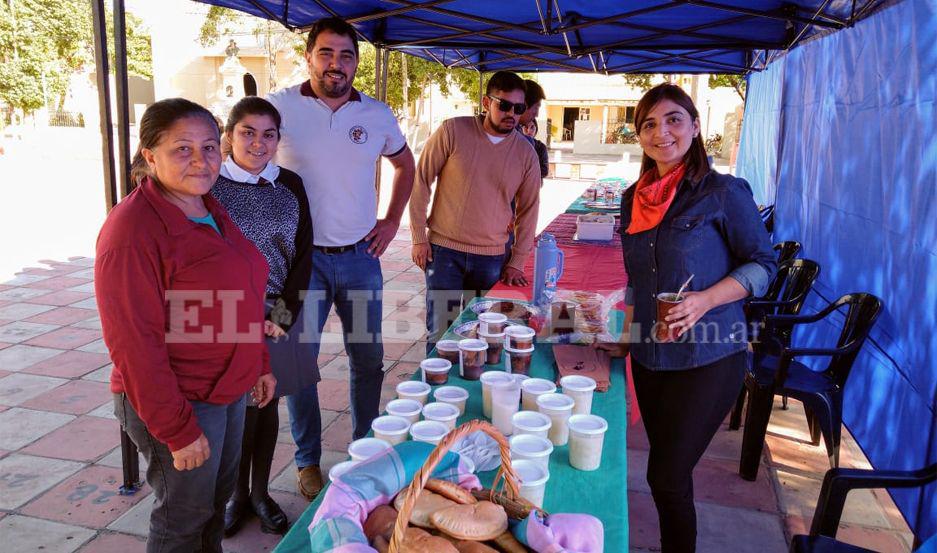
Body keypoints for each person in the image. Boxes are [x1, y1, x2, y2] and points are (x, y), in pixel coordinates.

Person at [596, 83, 776, 553]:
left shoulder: (723, 193)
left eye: (674, 119)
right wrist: (627, 335)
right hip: (652, 359)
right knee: (670, 472)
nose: (662, 132)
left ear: (695, 127)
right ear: (639, 136)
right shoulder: (633, 196)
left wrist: (705, 300)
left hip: (710, 356)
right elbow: (637, 277)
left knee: (666, 475)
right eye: (649, 124)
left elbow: (763, 264)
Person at [95, 98, 276, 553]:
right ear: (150, 155)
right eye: (183, 149)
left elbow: (243, 294)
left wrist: (258, 362)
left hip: (227, 388)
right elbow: (135, 347)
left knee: (213, 506)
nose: (202, 160)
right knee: (184, 517)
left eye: (210, 147)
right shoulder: (133, 232)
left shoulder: (206, 206)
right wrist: (178, 430)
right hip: (181, 398)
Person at [267, 16, 416, 502]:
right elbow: (244, 161)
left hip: (359, 259)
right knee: (299, 364)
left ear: (357, 62)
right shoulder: (279, 107)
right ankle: (307, 459)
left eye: (346, 55)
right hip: (299, 266)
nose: (336, 64)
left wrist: (392, 220)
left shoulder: (376, 113)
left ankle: (364, 448)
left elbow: (405, 163)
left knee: (368, 359)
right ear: (308, 56)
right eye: (326, 53)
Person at [210, 97, 313, 536]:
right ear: (229, 135)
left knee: (266, 403)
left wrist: (284, 315)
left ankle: (259, 492)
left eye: (268, 134)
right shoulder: (209, 183)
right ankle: (235, 495)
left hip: (276, 310)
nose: (258, 143)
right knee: (236, 407)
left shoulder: (290, 184)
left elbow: (304, 255)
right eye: (247, 132)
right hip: (223, 311)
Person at [410, 70, 541, 350]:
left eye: (518, 109)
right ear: (486, 102)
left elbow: (529, 210)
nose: (511, 114)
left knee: (487, 334)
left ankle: (473, 391)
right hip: (444, 253)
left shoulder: (526, 152)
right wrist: (419, 237)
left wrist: (518, 259)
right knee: (441, 334)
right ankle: (437, 389)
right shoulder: (452, 131)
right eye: (503, 105)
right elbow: (421, 181)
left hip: (492, 259)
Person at [518, 78, 549, 179]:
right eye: (536, 107)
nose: (537, 114)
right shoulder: (511, 136)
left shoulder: (527, 141)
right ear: (524, 104)